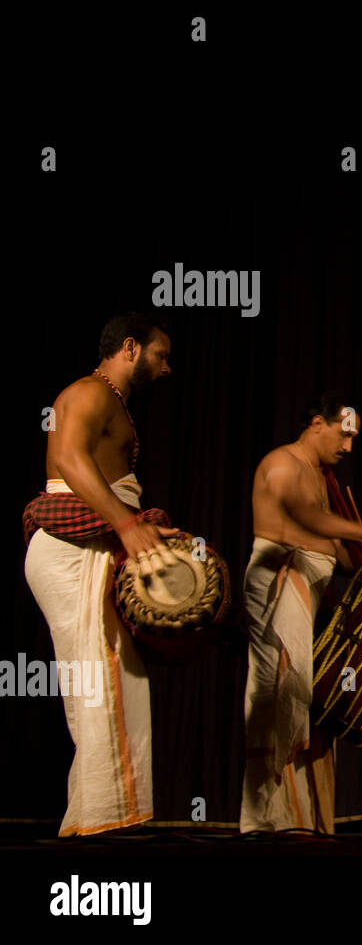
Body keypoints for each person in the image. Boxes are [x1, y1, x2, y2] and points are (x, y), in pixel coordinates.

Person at [23, 312, 177, 836]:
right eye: (161, 355)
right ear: (130, 348)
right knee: (102, 681)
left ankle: (92, 818)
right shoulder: (89, 392)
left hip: (90, 543)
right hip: (71, 547)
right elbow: (67, 456)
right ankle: (100, 825)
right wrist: (127, 523)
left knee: (107, 681)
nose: (167, 367)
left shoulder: (112, 401)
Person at [240, 392, 362, 834]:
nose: (348, 448)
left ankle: (287, 818)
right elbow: (304, 518)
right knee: (279, 690)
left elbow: (336, 552)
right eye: (344, 435)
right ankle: (260, 817)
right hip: (278, 578)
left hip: (309, 587)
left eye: (354, 439)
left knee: (296, 697)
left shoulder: (321, 477)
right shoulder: (284, 463)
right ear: (316, 423)